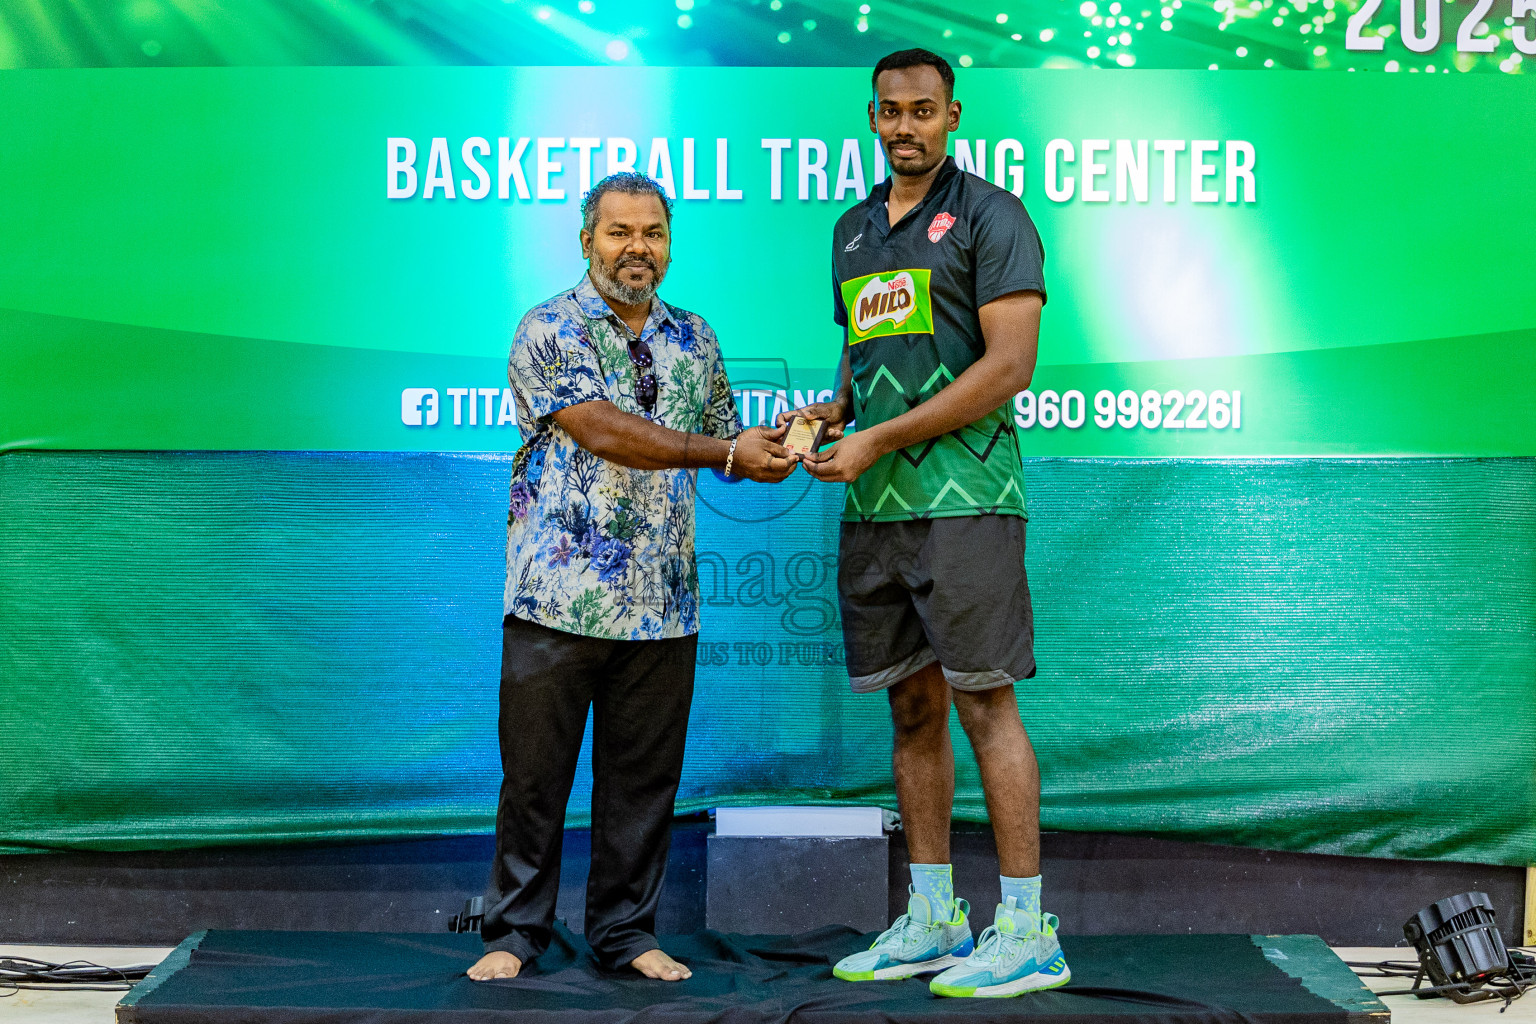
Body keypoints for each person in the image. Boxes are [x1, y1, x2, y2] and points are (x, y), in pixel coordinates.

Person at [785, 49, 1068, 998]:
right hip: (877, 510)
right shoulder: (852, 230)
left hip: (968, 502)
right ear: (872, 117)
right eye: (889, 113)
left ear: (954, 116)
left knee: (985, 703)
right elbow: (866, 354)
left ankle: (1027, 930)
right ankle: (934, 917)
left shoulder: (994, 216)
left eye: (923, 111)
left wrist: (878, 438)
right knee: (912, 709)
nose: (905, 127)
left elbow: (1008, 367)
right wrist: (831, 417)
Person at [469, 172, 796, 983]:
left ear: (669, 244)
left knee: (643, 787)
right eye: (619, 233)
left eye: (652, 232)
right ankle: (514, 935)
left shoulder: (696, 338)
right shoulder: (549, 328)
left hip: (664, 607)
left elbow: (727, 446)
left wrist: (787, 441)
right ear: (587, 242)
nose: (637, 249)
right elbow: (606, 432)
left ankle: (624, 934)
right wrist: (721, 450)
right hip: (555, 599)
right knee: (536, 783)